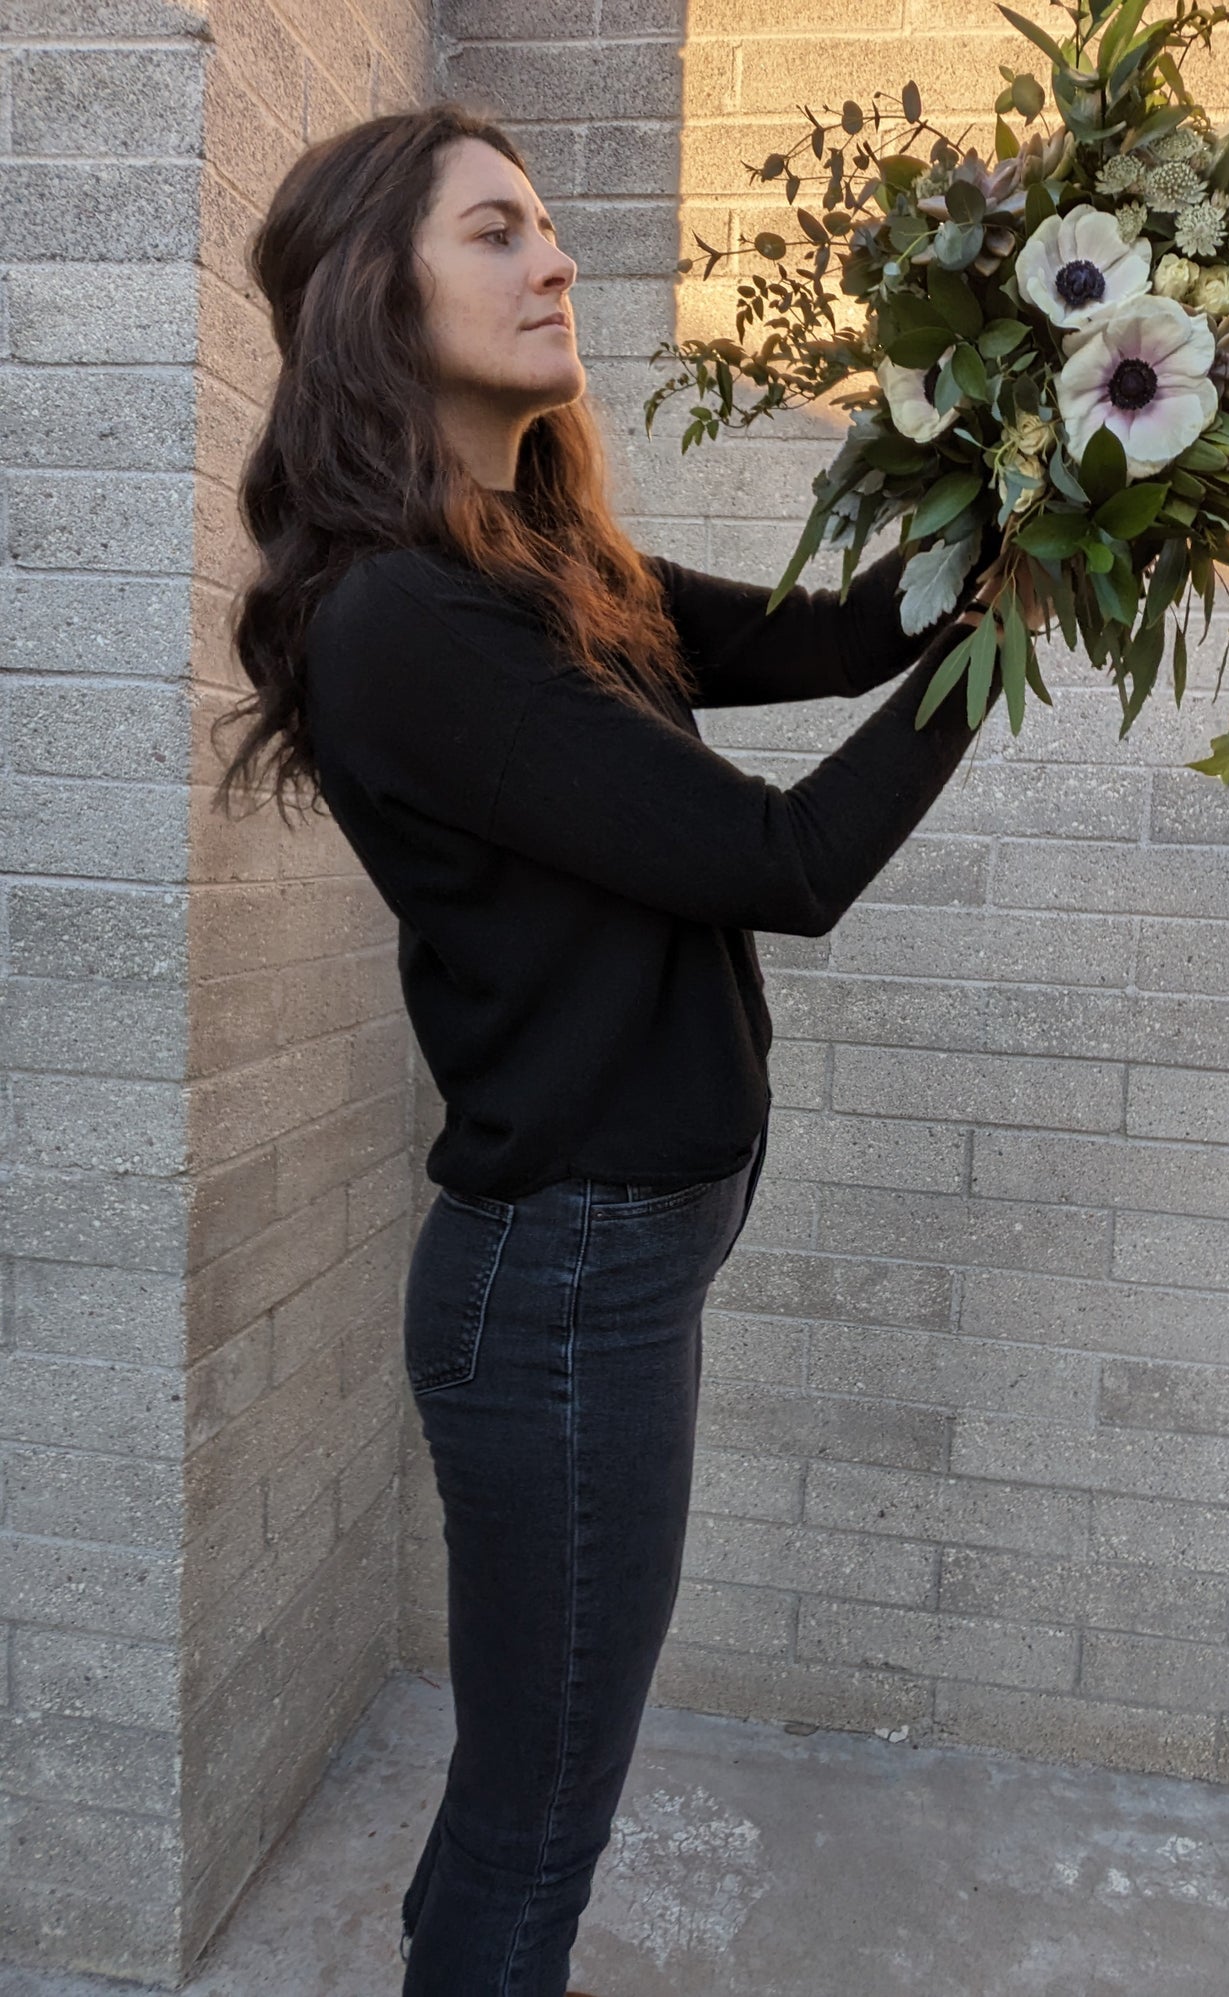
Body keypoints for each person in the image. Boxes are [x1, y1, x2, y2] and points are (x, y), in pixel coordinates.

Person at [212, 99, 1007, 1997]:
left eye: (546, 223)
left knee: (527, 1784)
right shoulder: (407, 618)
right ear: (372, 305)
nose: (554, 257)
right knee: (540, 1816)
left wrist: (1027, 477)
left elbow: (829, 634)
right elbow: (781, 860)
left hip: (611, 1255)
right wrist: (1006, 640)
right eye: (497, 232)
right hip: (558, 1287)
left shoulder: (532, 555)